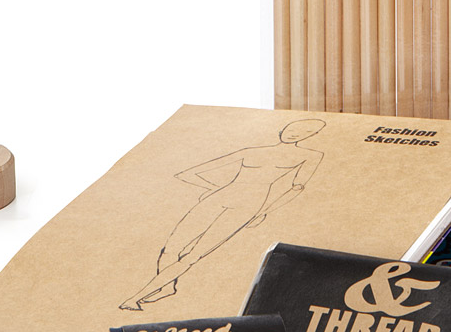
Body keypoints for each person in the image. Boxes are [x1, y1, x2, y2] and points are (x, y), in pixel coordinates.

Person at [120, 118, 325, 310]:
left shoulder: (311, 156)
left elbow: (295, 188)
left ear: (311, 135)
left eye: (306, 131)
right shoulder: (250, 151)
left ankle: (135, 298)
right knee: (171, 249)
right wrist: (214, 189)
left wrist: (264, 211)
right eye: (293, 128)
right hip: (220, 197)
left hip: (248, 204)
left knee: (193, 255)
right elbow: (188, 173)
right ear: (283, 128)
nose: (295, 133)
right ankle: (167, 287)